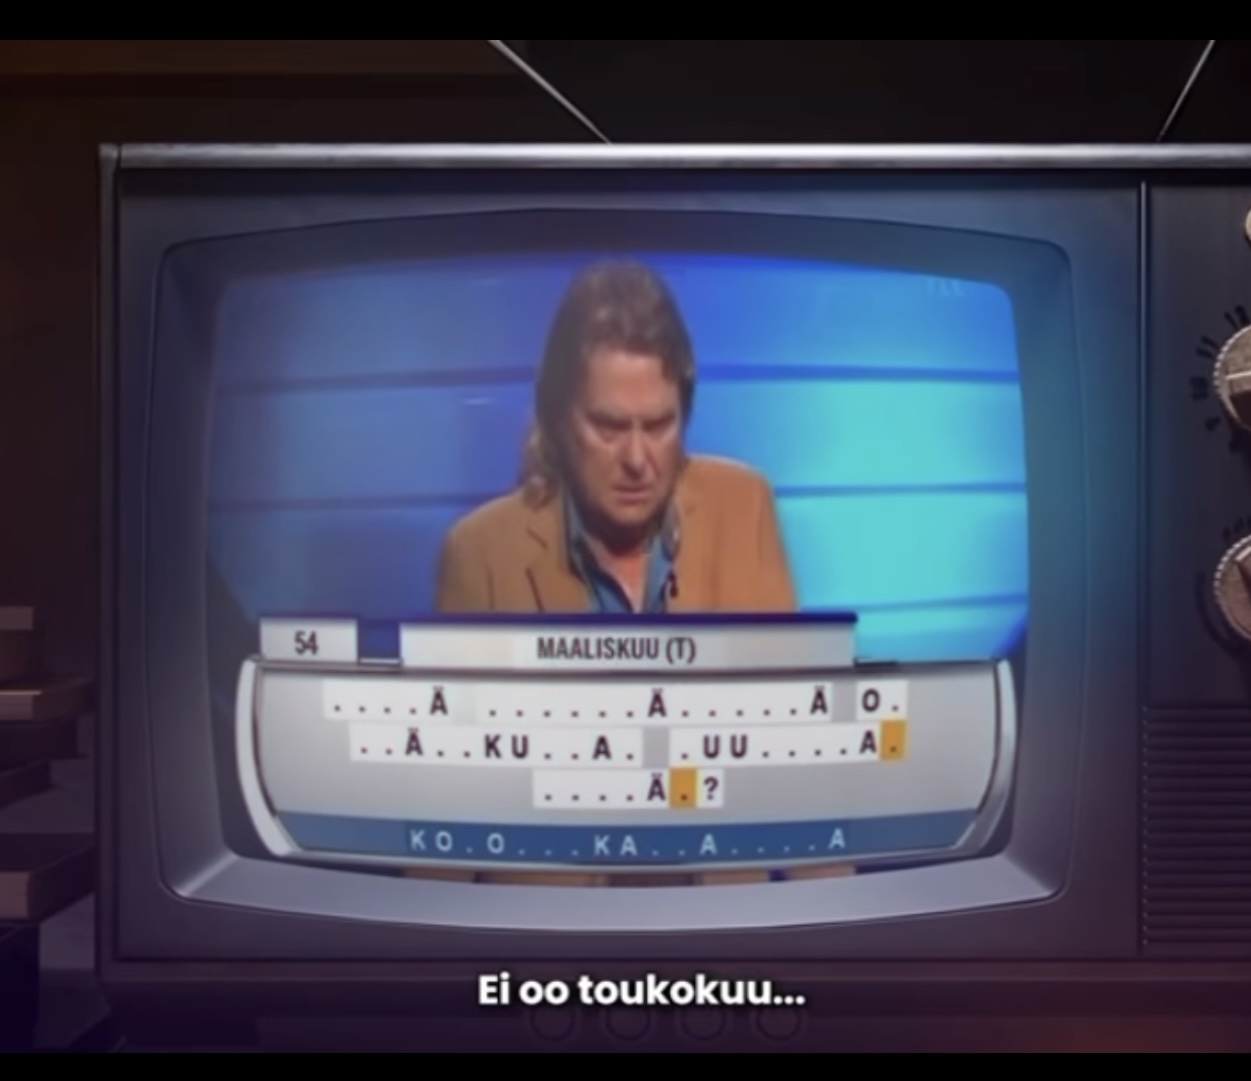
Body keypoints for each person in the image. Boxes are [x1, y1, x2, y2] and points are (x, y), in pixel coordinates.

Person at [426, 261, 849, 886]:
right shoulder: (480, 554)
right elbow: (447, 809)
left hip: (719, 923)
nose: (637, 459)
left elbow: (801, 755)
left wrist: (839, 924)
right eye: (607, 427)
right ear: (559, 421)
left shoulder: (745, 508)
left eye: (658, 426)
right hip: (556, 933)